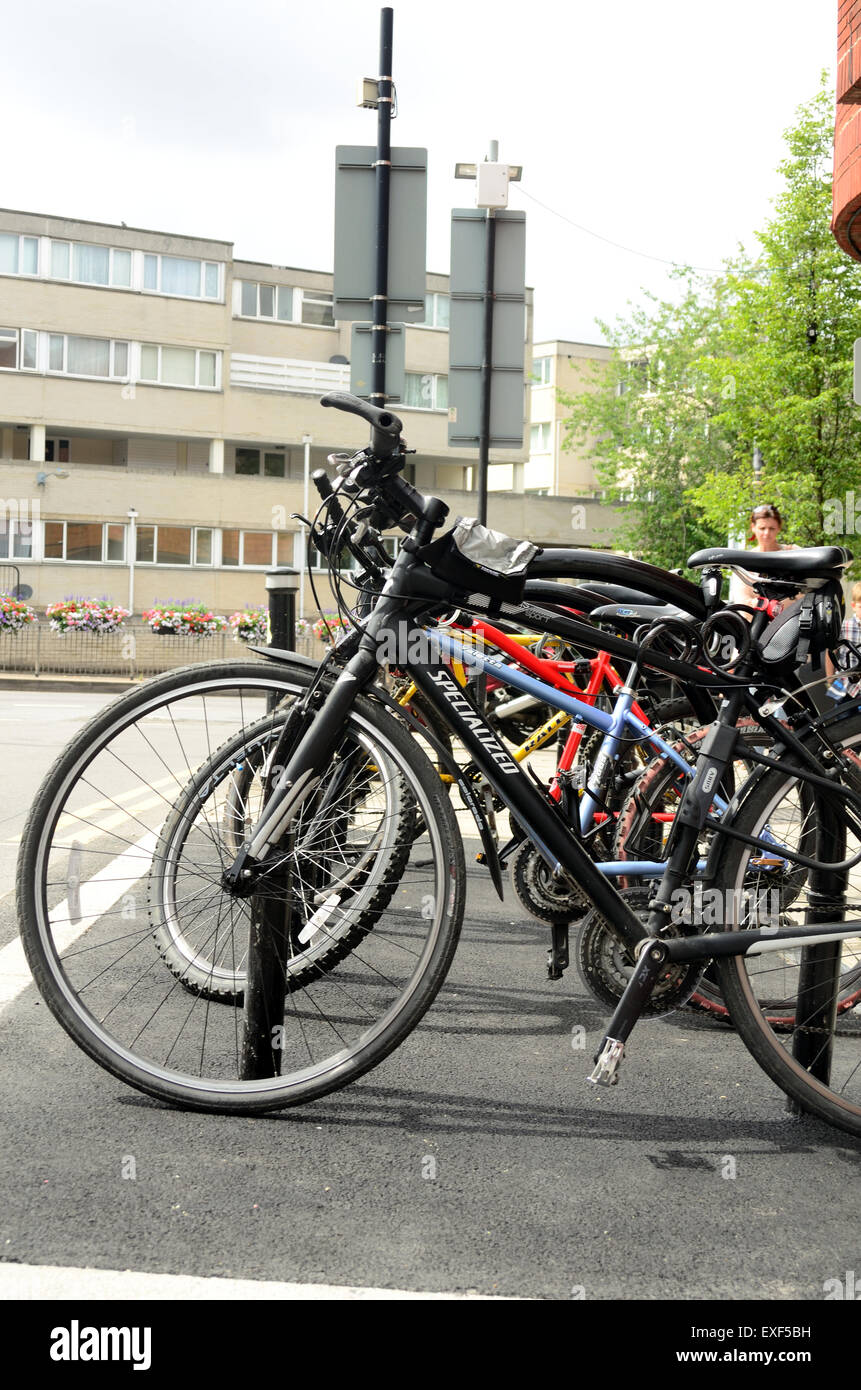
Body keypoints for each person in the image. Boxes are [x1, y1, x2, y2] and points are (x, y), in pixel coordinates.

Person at [728, 503, 795, 609]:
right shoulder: (745, 560)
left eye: (771, 528)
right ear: (753, 527)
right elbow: (741, 599)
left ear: (779, 528)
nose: (767, 533)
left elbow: (806, 591)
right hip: (754, 621)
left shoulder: (794, 554)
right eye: (762, 528)